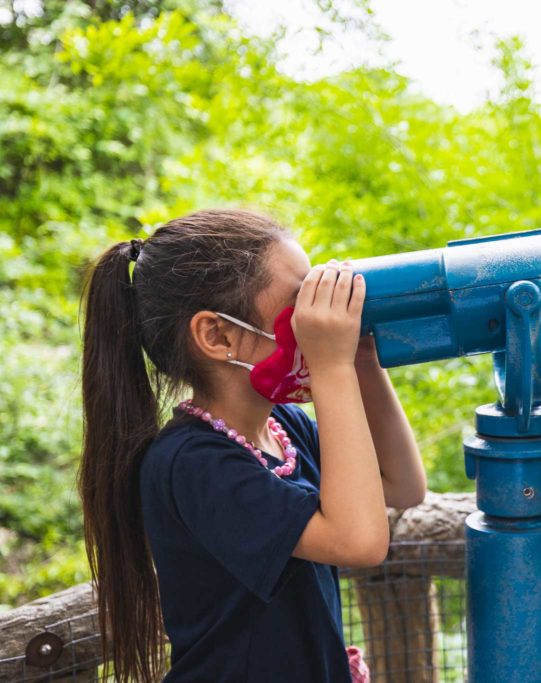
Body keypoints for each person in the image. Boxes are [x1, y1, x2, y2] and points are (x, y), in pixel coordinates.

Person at [79, 209, 427, 682]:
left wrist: (363, 359)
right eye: (297, 307)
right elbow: (359, 540)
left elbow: (402, 485)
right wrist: (332, 366)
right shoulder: (191, 464)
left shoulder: (284, 426)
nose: (313, 321)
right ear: (217, 335)